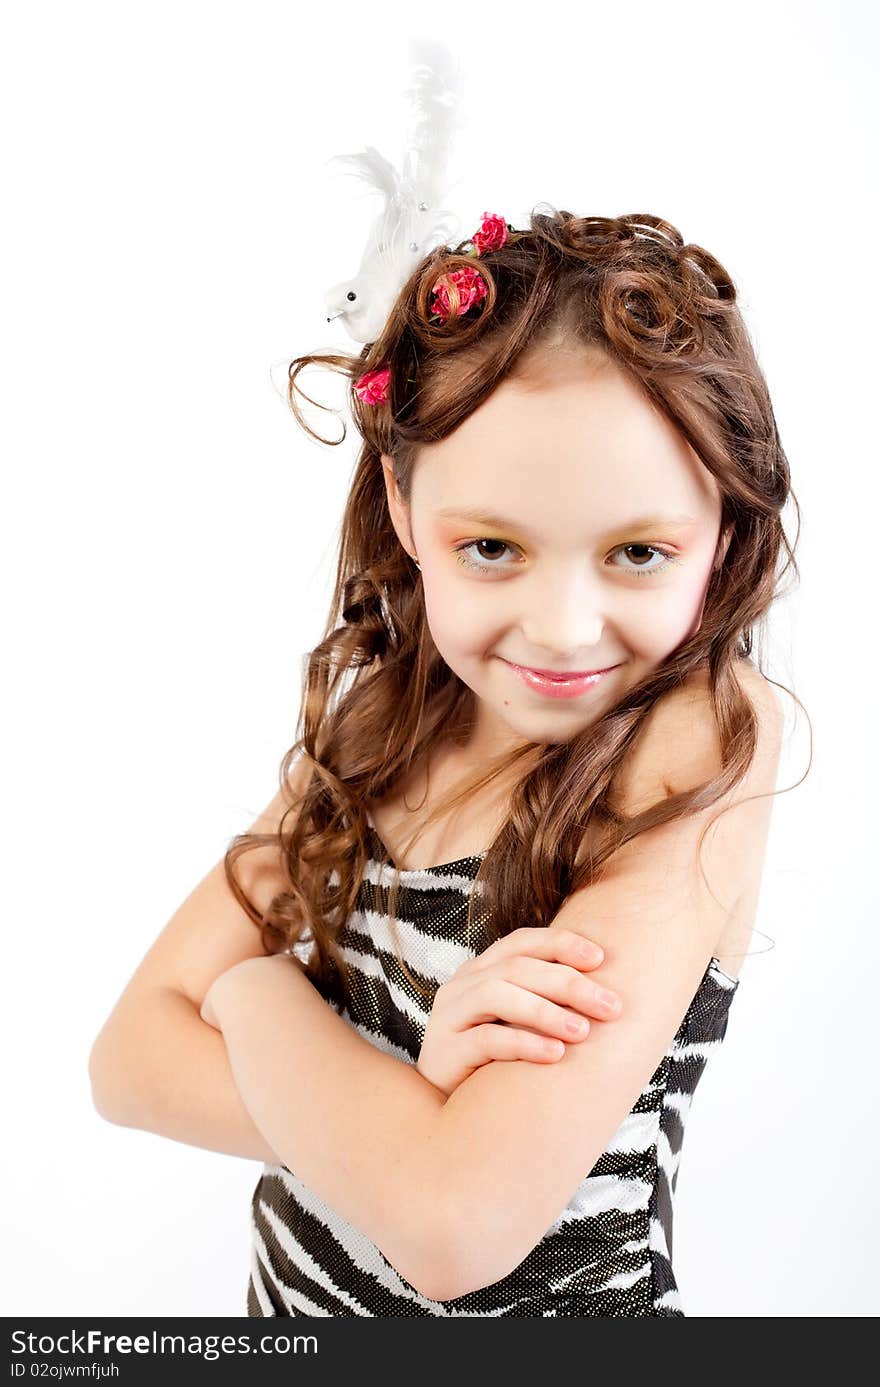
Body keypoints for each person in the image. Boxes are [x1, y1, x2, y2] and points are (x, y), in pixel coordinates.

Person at [89, 207, 799, 1317]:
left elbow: (454, 1220)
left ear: (724, 529)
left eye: (637, 553)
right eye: (492, 547)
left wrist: (253, 991)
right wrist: (409, 1107)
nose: (564, 628)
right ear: (402, 508)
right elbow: (128, 1062)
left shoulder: (697, 733)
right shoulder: (383, 724)